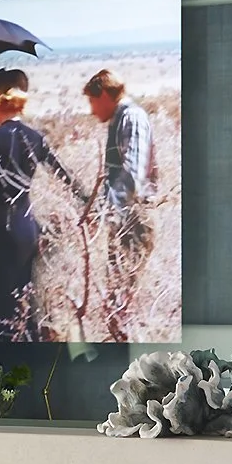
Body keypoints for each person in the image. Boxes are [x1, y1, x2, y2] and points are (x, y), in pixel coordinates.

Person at [0, 69, 83, 340]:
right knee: (27, 300)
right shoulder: (35, 137)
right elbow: (63, 173)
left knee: (0, 302)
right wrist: (87, 199)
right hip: (28, 227)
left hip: (3, 228)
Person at [83, 69, 156, 329]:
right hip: (124, 219)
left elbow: (132, 174)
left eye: (92, 102)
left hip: (134, 220)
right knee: (118, 299)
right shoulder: (120, 119)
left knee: (125, 302)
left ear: (103, 95)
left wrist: (107, 211)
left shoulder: (131, 117)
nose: (92, 111)